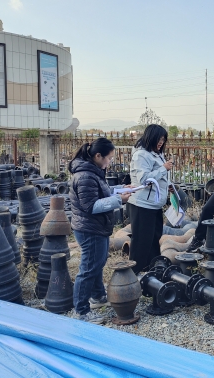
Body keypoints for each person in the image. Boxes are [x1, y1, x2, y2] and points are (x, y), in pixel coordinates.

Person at [69, 137, 134, 324]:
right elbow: (91, 206)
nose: (110, 162)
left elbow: (102, 191)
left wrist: (121, 189)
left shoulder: (93, 171)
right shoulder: (85, 176)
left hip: (95, 226)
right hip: (89, 228)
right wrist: (119, 200)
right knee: (88, 269)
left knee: (97, 263)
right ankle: (81, 311)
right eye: (109, 158)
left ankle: (98, 296)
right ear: (98, 156)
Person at [128, 124, 172, 273]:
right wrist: (163, 168)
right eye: (159, 139)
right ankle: (135, 274)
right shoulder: (141, 155)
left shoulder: (156, 154)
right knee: (141, 242)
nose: (161, 142)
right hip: (142, 205)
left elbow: (159, 177)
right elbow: (144, 180)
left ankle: (151, 273)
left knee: (154, 240)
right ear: (150, 137)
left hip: (154, 205)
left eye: (163, 139)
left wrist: (168, 186)